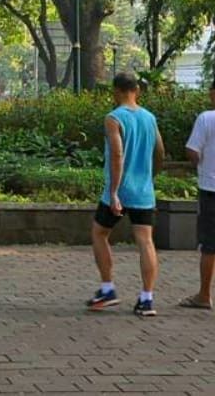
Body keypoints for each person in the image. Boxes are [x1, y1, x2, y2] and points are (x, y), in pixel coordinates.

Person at [87, 72, 165, 316]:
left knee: (99, 233)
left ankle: (108, 288)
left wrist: (114, 192)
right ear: (137, 91)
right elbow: (160, 151)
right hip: (143, 191)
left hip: (120, 190)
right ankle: (146, 299)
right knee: (145, 241)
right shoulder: (150, 118)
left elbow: (117, 154)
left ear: (117, 91)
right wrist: (150, 178)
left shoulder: (114, 118)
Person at [180, 81, 215, 309]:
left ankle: (204, 295)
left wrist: (200, 163)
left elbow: (192, 150)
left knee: (210, 245)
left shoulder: (206, 118)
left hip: (211, 188)